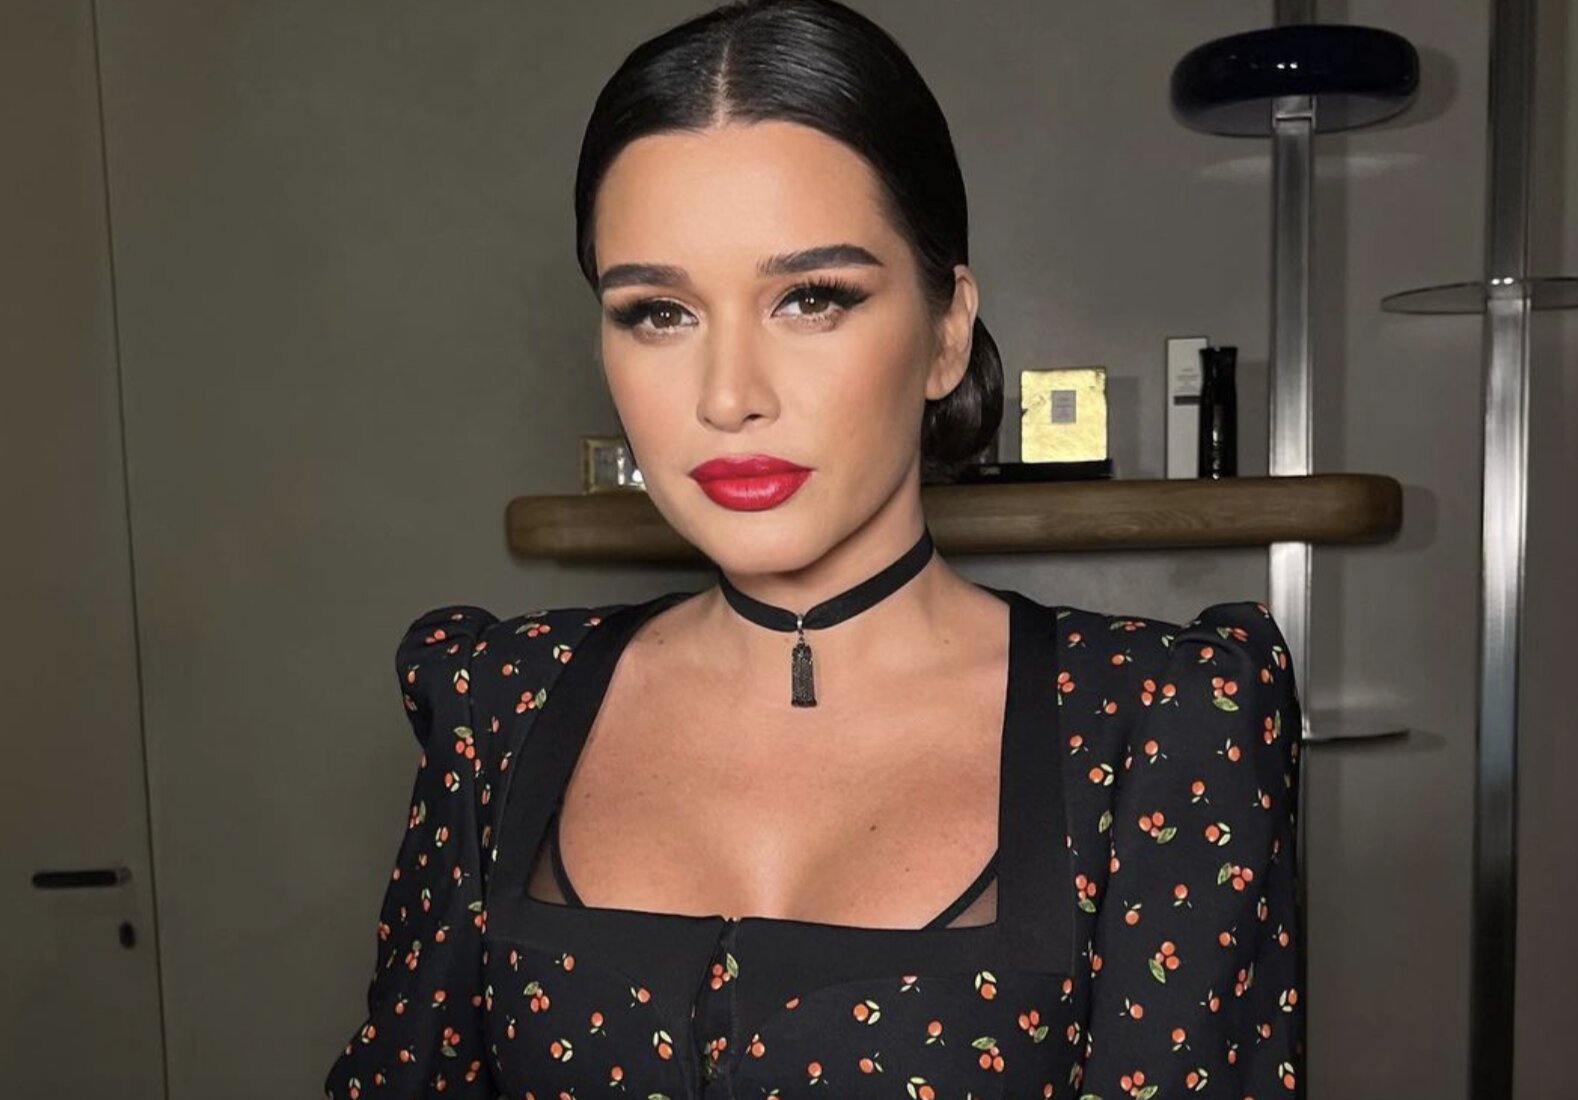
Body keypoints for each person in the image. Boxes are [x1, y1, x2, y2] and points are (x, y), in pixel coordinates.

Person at [323, 1, 1304, 1097]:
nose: (728, 396)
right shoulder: (499, 703)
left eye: (811, 298)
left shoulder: (1160, 720)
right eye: (658, 312)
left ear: (945, 331)